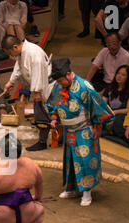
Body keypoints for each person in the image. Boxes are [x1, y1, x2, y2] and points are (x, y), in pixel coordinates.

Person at [47, 58, 115, 206]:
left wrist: (98, 126)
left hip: (84, 129)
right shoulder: (59, 86)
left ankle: (86, 192)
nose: (60, 84)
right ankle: (71, 188)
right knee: (70, 160)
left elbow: (98, 106)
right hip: (68, 130)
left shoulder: (85, 86)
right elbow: (53, 104)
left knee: (85, 160)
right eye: (58, 81)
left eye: (61, 81)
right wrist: (54, 117)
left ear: (69, 74)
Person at [2, 34, 52, 151]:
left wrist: (37, 91)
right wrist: (11, 81)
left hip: (44, 86)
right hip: (37, 86)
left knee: (43, 113)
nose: (10, 56)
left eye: (9, 53)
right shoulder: (22, 52)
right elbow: (18, 67)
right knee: (42, 112)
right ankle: (44, 138)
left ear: (14, 47)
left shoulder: (33, 52)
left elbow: (38, 72)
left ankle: (42, 141)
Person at [102, 65, 129, 137]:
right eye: (118, 73)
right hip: (109, 112)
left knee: (117, 121)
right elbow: (103, 103)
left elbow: (128, 109)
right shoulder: (110, 87)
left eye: (123, 75)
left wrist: (115, 112)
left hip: (120, 114)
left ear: (128, 77)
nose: (119, 76)